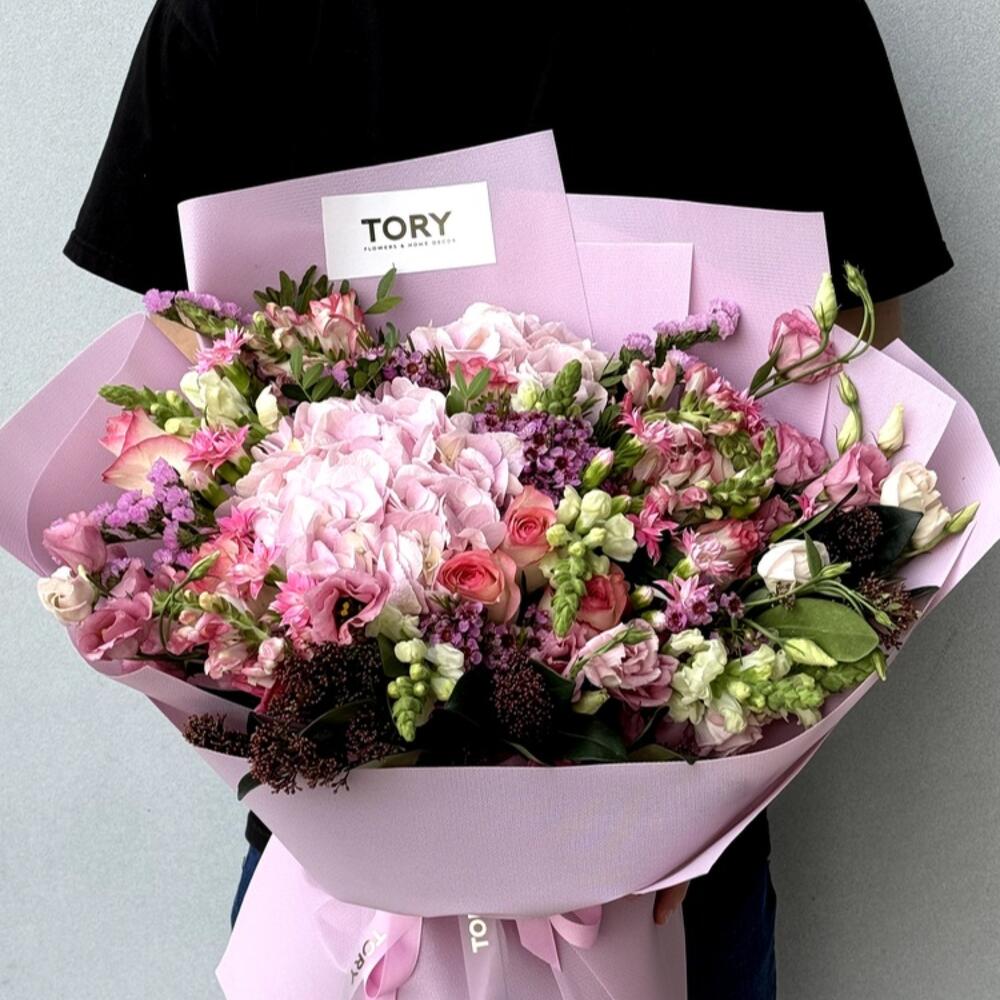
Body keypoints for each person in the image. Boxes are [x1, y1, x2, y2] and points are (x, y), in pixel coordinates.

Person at [64, 2, 953, 996]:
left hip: (672, 861)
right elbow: (193, 365)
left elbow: (856, 371)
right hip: (343, 852)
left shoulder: (793, 23)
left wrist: (699, 787)